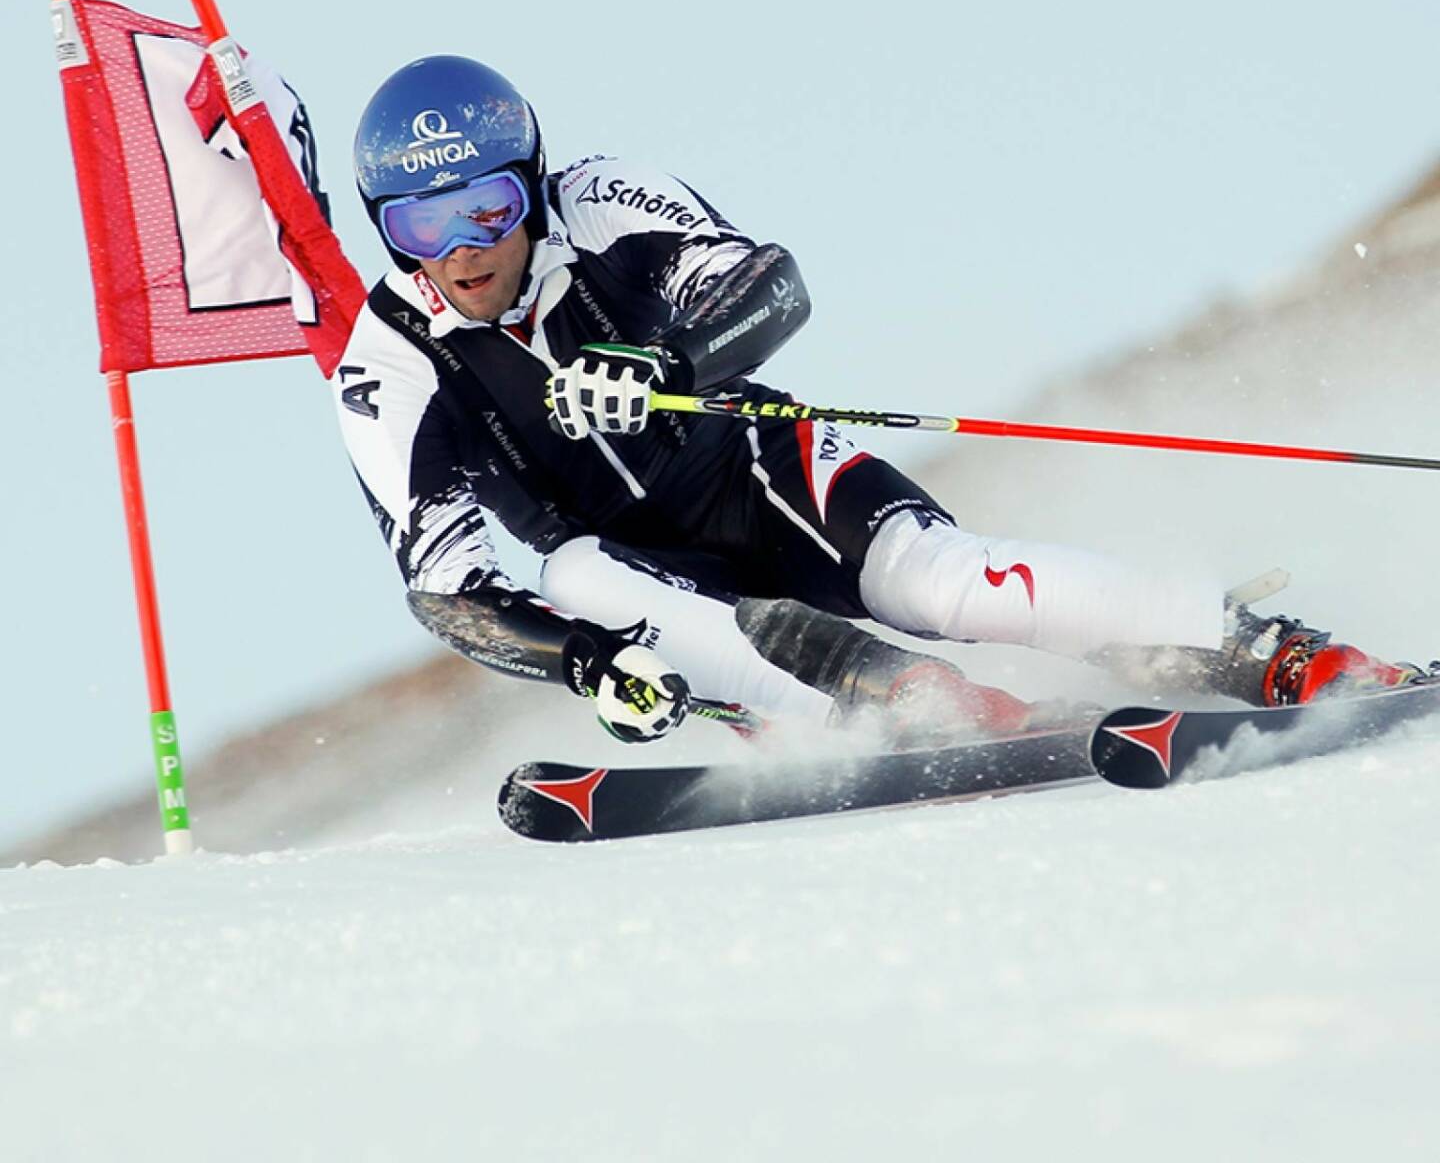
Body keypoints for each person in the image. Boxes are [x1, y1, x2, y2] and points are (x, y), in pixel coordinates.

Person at [333, 54, 1418, 745]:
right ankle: (923, 711)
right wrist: (587, 661)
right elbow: (445, 587)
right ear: (389, 230)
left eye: (487, 207)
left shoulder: (603, 202)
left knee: (944, 577)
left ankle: (1266, 647)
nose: (465, 250)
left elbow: (769, 284)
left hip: (757, 469)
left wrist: (671, 369)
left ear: (531, 181)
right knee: (583, 572)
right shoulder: (389, 360)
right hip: (632, 567)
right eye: (423, 226)